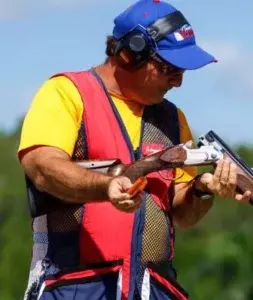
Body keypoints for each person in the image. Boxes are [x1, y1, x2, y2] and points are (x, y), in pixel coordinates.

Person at [18, 0, 252, 299]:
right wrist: (107, 187)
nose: (178, 81)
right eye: (169, 68)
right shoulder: (66, 92)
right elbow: (44, 168)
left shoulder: (173, 119)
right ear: (129, 54)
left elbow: (182, 214)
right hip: (74, 286)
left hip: (153, 289)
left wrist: (202, 188)